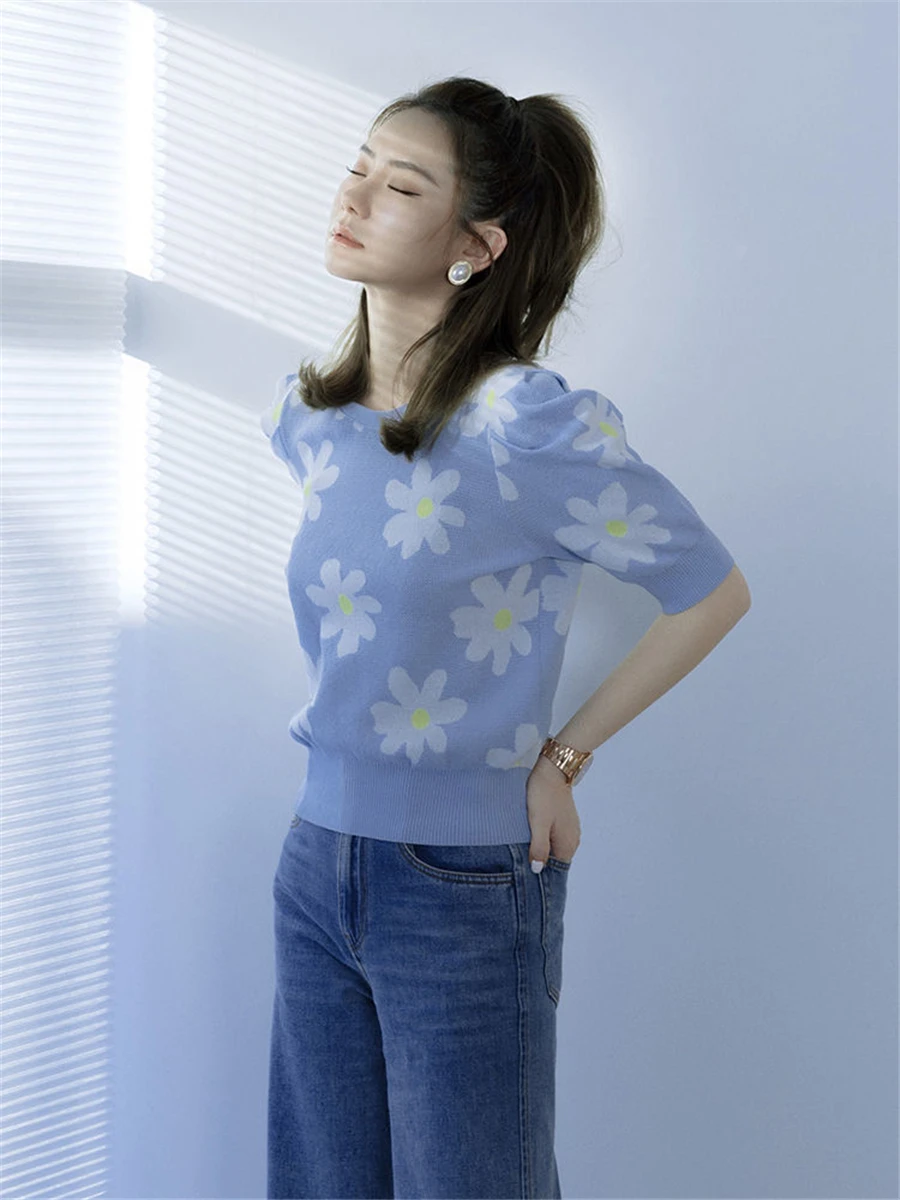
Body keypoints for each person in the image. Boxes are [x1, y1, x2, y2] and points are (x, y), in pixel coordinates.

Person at [261, 76, 751, 1200]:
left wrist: (563, 757)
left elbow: (710, 591)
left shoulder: (524, 427)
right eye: (358, 167)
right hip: (314, 860)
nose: (354, 196)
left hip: (463, 881)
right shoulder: (311, 420)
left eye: (401, 186)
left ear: (475, 247)